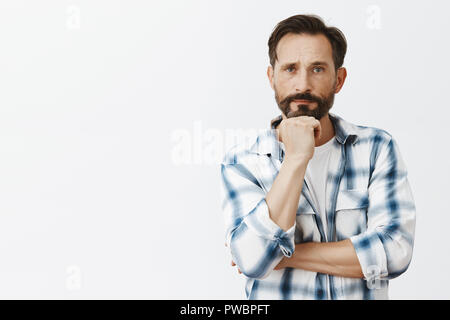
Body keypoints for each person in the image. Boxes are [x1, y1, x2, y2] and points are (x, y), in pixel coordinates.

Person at [220, 14, 416, 299]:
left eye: (317, 69)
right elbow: (252, 260)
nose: (302, 84)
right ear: (271, 77)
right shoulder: (243, 162)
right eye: (290, 69)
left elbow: (396, 251)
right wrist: (296, 158)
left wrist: (284, 255)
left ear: (339, 79)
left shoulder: (377, 148)